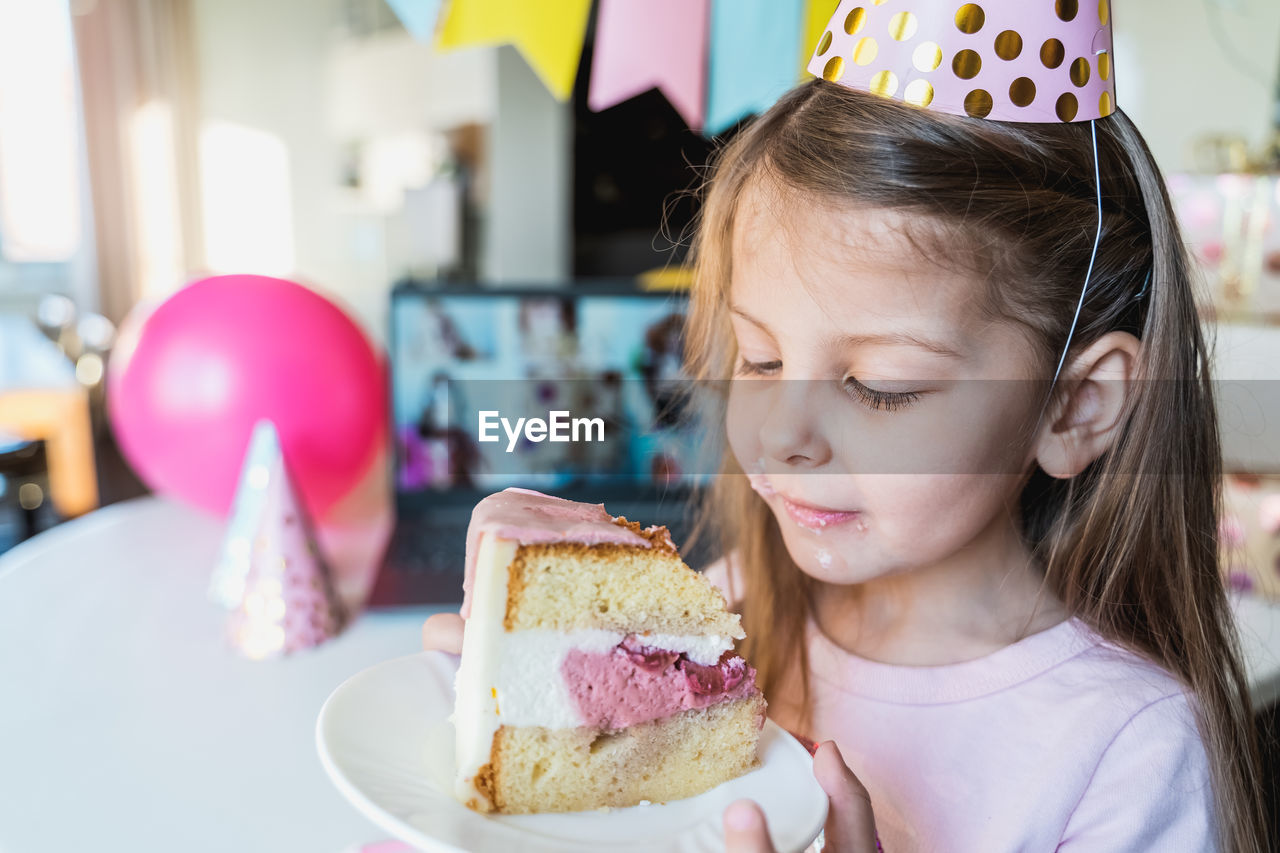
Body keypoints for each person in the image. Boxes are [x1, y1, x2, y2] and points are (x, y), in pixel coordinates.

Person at [423, 3, 1269, 850]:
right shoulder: (733, 610)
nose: (784, 433)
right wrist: (519, 723)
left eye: (879, 385)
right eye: (759, 359)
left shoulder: (1132, 754)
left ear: (1075, 405)